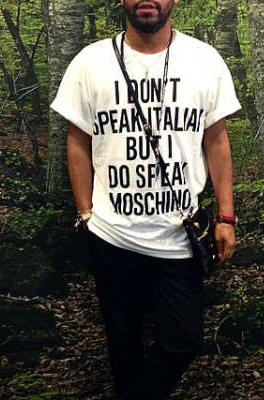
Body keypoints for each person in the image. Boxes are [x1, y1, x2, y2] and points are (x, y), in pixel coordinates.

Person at [50, 1, 240, 398]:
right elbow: (77, 140)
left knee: (183, 341)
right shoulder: (90, 63)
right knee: (124, 348)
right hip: (112, 236)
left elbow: (216, 141)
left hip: (178, 237)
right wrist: (85, 213)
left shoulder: (204, 60)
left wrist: (226, 217)